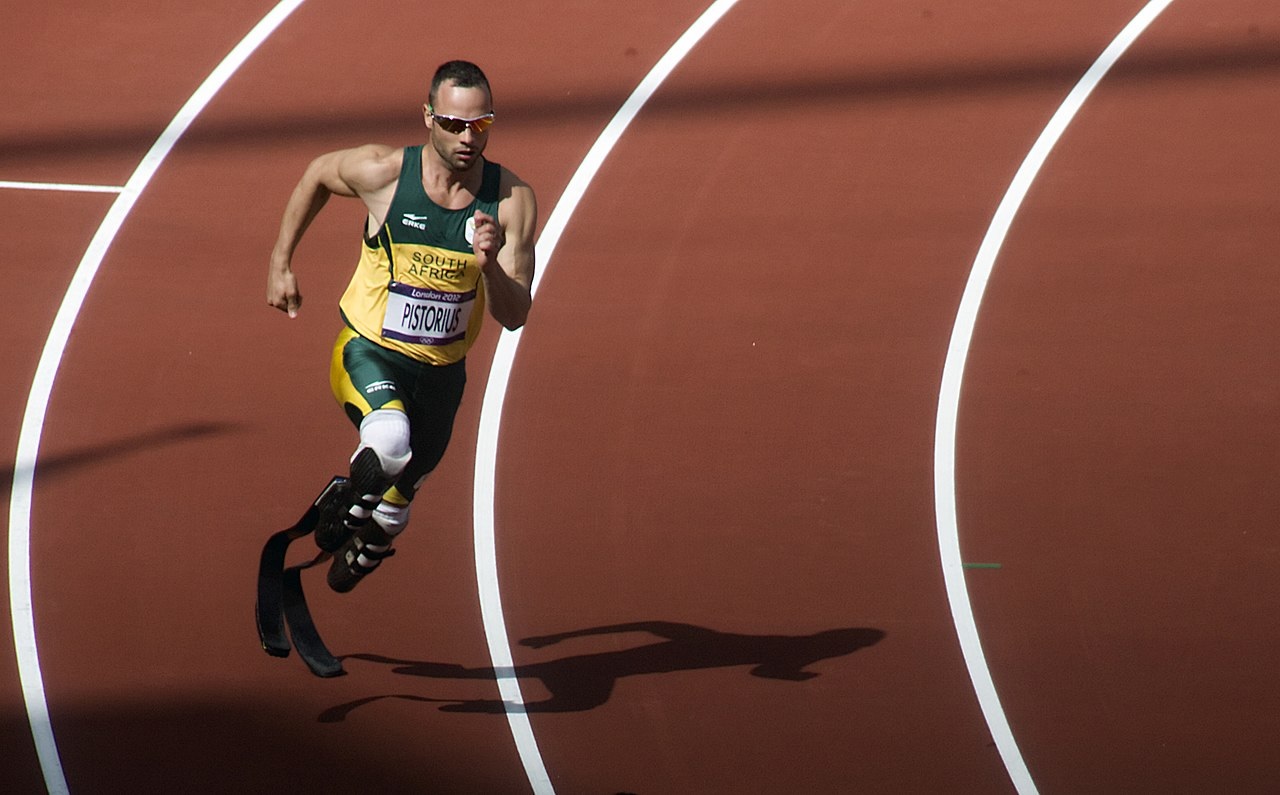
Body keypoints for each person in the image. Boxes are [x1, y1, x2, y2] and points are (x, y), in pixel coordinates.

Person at [265, 60, 536, 593]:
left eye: (480, 125)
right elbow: (318, 172)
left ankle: (371, 534)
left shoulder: (511, 203)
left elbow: (516, 314)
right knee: (389, 441)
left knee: (393, 514)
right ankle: (343, 503)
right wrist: (280, 261)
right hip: (370, 352)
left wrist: (489, 266)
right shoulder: (385, 173)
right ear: (428, 118)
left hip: (441, 379)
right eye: (455, 125)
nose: (467, 137)